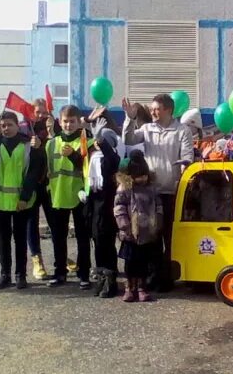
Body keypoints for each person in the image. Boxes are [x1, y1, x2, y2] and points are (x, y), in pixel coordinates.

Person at [122, 94, 194, 291]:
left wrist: (183, 167)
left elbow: (187, 156)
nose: (153, 112)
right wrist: (129, 118)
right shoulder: (146, 129)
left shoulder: (182, 130)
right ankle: (152, 277)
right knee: (151, 237)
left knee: (170, 237)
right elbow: (128, 139)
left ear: (168, 110)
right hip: (150, 194)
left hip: (172, 193)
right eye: (152, 109)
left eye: (157, 109)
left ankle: (167, 278)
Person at [0, 111, 46, 290]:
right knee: (3, 239)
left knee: (20, 239)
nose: (6, 129)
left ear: (17, 125)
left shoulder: (28, 144)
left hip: (22, 201)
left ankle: (21, 275)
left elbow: (33, 173)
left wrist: (24, 197)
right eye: (2, 125)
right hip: (1, 201)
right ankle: (5, 274)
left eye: (9, 125)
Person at [45, 105, 91, 288]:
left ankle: (84, 272)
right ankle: (59, 272)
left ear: (79, 121)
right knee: (58, 237)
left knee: (82, 237)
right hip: (58, 195)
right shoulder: (52, 143)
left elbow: (88, 168)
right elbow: (46, 169)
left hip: (80, 195)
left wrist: (73, 156)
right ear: (59, 121)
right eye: (65, 121)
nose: (68, 125)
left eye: (72, 121)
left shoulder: (86, 141)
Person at [114, 151, 163, 303]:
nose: (142, 178)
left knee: (143, 262)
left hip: (147, 231)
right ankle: (130, 287)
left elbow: (158, 206)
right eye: (138, 176)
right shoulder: (124, 189)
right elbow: (119, 208)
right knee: (130, 262)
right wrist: (125, 227)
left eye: (144, 175)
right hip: (131, 233)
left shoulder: (152, 188)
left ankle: (142, 287)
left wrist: (158, 222)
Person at [85, 123, 122, 298]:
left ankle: (111, 281)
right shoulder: (93, 159)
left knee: (108, 247)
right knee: (98, 246)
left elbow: (112, 160)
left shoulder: (111, 159)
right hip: (95, 210)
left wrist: (100, 138)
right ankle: (100, 279)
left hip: (107, 210)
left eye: (101, 142)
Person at [26, 97, 58, 280]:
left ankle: (59, 257)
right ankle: (37, 260)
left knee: (55, 223)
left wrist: (52, 132)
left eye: (44, 112)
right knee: (32, 224)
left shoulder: (55, 130)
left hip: (50, 185)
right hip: (32, 185)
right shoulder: (25, 130)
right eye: (38, 112)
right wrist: (35, 146)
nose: (41, 115)